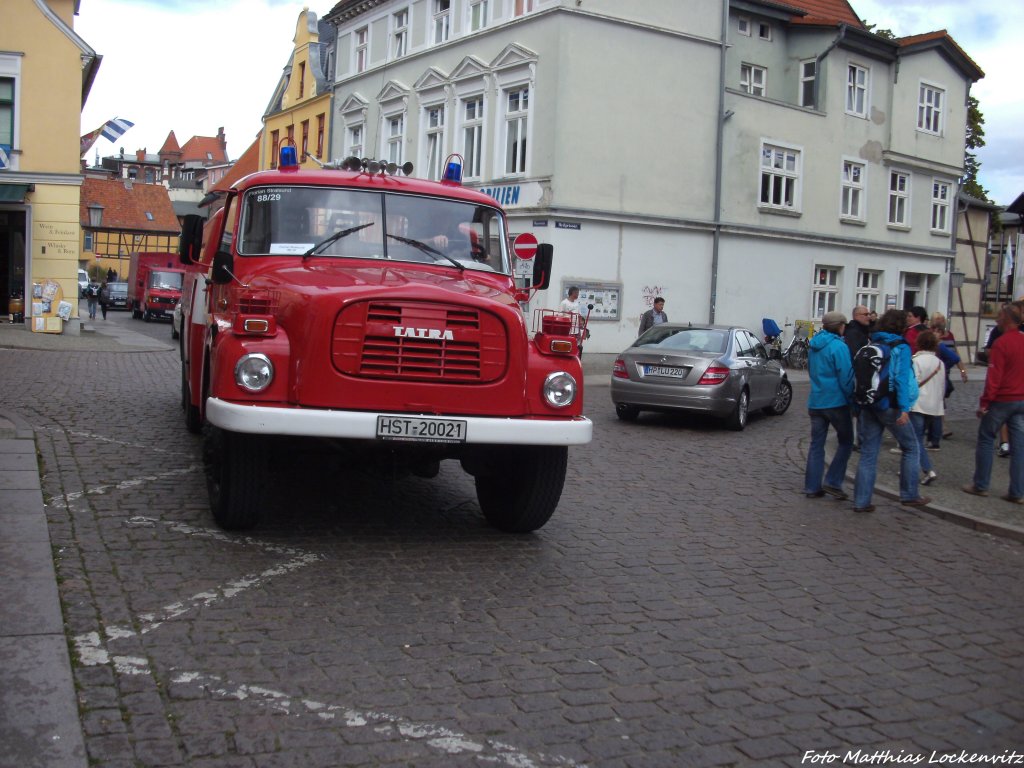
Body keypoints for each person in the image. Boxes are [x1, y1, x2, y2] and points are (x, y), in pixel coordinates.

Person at [852, 308, 928, 513]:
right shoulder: (900, 347)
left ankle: (861, 501)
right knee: (911, 447)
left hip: (870, 403)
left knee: (868, 452)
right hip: (890, 404)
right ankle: (910, 494)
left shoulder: (874, 342)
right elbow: (901, 379)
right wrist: (904, 408)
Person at [963, 303, 1024, 503]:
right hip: (1021, 399)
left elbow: (994, 377)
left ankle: (981, 484)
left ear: (1006, 320)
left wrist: (984, 403)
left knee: (986, 438)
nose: (996, 320)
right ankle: (1017, 491)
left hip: (1002, 399)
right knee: (1019, 446)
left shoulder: (1001, 343)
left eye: (999, 317)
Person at [804, 311, 854, 500]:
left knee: (816, 444)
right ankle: (833, 481)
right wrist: (851, 399)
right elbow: (846, 377)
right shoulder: (838, 347)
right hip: (836, 402)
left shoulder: (814, 346)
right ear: (840, 326)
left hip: (816, 400)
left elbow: (810, 370)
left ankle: (812, 487)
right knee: (846, 441)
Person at [910, 331, 945, 485]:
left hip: (918, 404)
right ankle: (911, 465)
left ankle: (928, 469)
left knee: (915, 438)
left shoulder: (916, 360)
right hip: (933, 406)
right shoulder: (939, 363)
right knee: (919, 436)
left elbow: (913, 384)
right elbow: (942, 386)